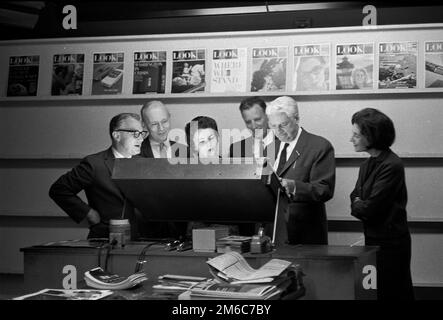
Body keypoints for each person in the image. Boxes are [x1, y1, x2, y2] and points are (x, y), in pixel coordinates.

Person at [349, 108, 414, 300]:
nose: (351, 139)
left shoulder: (391, 165)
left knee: (393, 292)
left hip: (391, 245)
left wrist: (360, 203)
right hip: (374, 240)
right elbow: (355, 199)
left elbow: (369, 209)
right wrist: (360, 203)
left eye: (356, 135)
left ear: (372, 137)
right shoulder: (366, 165)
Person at [49, 113, 147, 239]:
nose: (141, 139)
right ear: (116, 135)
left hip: (142, 241)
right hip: (106, 240)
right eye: (135, 133)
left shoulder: (144, 163)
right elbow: (59, 189)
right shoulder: (94, 164)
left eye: (142, 133)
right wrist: (89, 213)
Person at [266, 96, 335, 244]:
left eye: (283, 124)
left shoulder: (319, 146)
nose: (278, 131)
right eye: (273, 126)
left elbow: (324, 190)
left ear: (296, 119)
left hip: (305, 232)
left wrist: (294, 186)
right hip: (273, 231)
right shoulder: (270, 148)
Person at [185, 116, 255, 236]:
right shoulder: (184, 172)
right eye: (202, 141)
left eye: (211, 138)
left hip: (230, 233)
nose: (209, 145)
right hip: (195, 232)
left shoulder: (235, 170)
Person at [139, 100, 188, 239]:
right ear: (144, 125)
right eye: (154, 124)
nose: (161, 128)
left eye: (164, 121)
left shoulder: (184, 151)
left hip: (181, 229)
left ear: (170, 117)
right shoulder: (134, 152)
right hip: (146, 230)